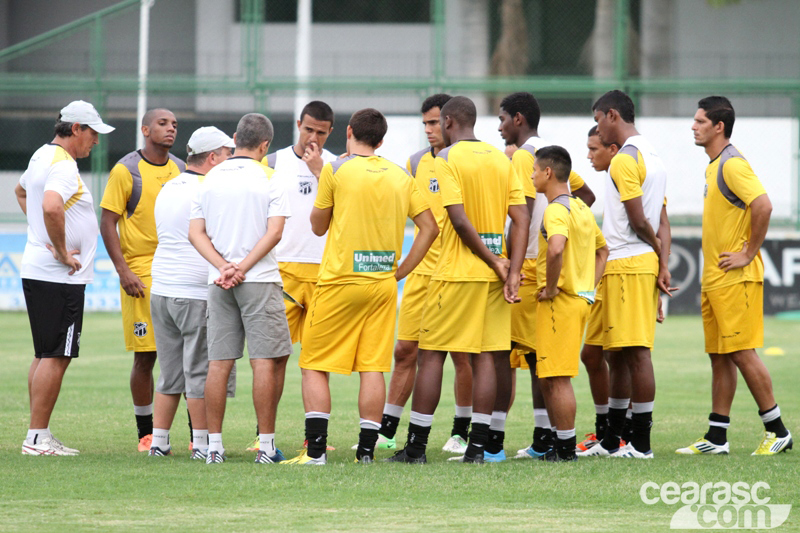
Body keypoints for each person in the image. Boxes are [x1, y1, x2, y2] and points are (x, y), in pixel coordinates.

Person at [282, 108, 438, 465]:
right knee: (372, 367)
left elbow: (318, 226)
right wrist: (400, 272)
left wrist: (321, 179)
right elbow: (430, 228)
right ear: (381, 141)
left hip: (339, 281)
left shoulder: (336, 169)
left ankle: (316, 453)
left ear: (348, 131)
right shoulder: (400, 174)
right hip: (382, 283)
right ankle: (365, 452)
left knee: (314, 365)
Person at [389, 95, 529, 464]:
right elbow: (522, 217)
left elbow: (458, 220)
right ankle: (477, 449)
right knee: (486, 358)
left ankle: (416, 448)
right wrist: (509, 269)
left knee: (432, 356)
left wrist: (494, 263)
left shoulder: (446, 159)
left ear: (449, 122)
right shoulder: (502, 159)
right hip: (495, 274)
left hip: (455, 272)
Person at [676, 96, 792, 456]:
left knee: (742, 353)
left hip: (735, 279)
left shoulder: (731, 164)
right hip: (716, 278)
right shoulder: (713, 166)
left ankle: (778, 430)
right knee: (720, 356)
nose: (693, 126)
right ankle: (716, 437)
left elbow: (764, 205)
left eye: (699, 121)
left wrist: (748, 252)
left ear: (718, 127)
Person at [496, 92, 595, 461]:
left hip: (536, 270)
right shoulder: (550, 154)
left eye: (503, 118)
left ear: (518, 119)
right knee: (542, 361)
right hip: (571, 283)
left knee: (509, 353)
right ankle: (544, 437)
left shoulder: (525, 156)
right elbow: (584, 194)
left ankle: (492, 440)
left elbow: (520, 217)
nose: (499, 125)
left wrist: (514, 267)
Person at [189, 113, 292, 465]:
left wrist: (223, 268)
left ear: (234, 138)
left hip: (218, 282)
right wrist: (242, 268)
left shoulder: (210, 177)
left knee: (219, 363)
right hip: (259, 279)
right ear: (265, 145)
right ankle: (265, 447)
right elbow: (274, 232)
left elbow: (195, 233)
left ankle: (213, 446)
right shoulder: (271, 177)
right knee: (263, 360)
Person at [376, 94, 475, 455]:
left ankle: (461, 431)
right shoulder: (415, 163)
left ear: (450, 122)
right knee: (405, 351)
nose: (430, 130)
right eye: (426, 124)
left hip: (457, 273)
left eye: (435, 123)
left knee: (461, 355)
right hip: (421, 274)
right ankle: (387, 429)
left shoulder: (466, 162)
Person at [16, 100, 114, 455]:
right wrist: (58, 250)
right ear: (75, 129)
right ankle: (37, 437)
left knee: (46, 354)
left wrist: (40, 234)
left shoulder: (41, 156)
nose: (96, 141)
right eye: (92, 133)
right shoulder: (63, 164)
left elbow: (21, 191)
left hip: (40, 270)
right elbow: (51, 205)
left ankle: (37, 433)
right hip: (58, 276)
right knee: (57, 354)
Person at [579, 90, 671, 459]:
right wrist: (663, 260)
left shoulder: (624, 161)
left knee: (636, 354)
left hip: (629, 262)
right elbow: (662, 220)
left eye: (599, 119)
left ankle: (641, 444)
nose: (598, 129)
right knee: (608, 353)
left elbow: (640, 220)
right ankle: (612, 440)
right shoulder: (655, 158)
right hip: (619, 264)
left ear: (612, 115)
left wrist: (655, 253)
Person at [249, 101, 338, 453]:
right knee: (274, 357)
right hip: (281, 270)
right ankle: (263, 435)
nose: (313, 137)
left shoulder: (334, 165)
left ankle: (313, 437)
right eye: (309, 129)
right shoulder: (272, 163)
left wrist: (320, 172)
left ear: (330, 132)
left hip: (323, 272)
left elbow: (342, 209)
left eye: (321, 132)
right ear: (299, 124)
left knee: (316, 360)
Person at [100, 108, 185, 451]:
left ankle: (199, 434)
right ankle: (145, 433)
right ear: (145, 128)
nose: (170, 129)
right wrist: (123, 269)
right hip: (141, 274)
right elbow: (107, 222)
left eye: (175, 125)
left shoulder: (180, 168)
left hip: (178, 268)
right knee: (146, 356)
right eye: (163, 123)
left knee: (189, 354)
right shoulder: (127, 169)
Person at [147, 127, 235, 459]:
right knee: (199, 370)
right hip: (195, 292)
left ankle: (159, 440)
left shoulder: (170, 184)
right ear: (212, 157)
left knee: (170, 372)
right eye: (227, 154)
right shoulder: (209, 188)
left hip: (163, 289)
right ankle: (201, 443)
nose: (231, 160)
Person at [532, 145, 608, 461]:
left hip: (560, 303)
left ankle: (565, 449)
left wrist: (551, 288)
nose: (532, 176)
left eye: (535, 170)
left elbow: (555, 249)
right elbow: (603, 251)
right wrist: (589, 286)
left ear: (548, 172)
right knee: (550, 375)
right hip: (579, 300)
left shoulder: (556, 210)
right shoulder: (581, 208)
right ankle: (560, 446)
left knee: (558, 377)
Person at [577, 126, 621, 452]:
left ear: (613, 149)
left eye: (594, 149)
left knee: (621, 355)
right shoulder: (612, 178)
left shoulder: (625, 172)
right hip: (606, 272)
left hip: (623, 272)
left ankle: (620, 432)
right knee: (593, 354)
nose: (589, 155)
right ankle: (606, 429)